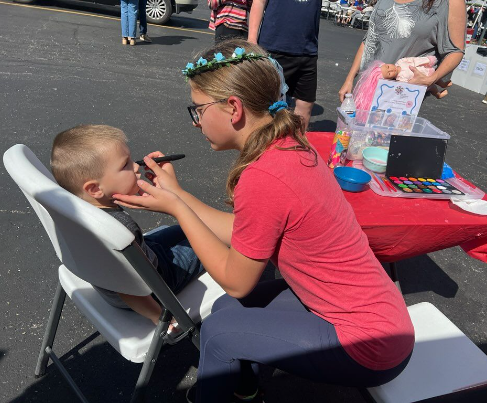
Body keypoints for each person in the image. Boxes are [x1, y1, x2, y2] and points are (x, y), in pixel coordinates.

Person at [113, 39, 415, 403]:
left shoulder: (264, 177)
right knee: (226, 310)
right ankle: (243, 388)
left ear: (233, 108)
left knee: (220, 330)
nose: (195, 122)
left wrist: (177, 210)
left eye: (197, 110)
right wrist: (177, 197)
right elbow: (244, 234)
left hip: (369, 345)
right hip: (377, 318)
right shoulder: (289, 146)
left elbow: (236, 281)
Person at [50, 125, 204, 326]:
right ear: (95, 188)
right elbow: (130, 287)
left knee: (180, 230)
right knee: (206, 241)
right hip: (156, 285)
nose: (136, 166)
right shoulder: (117, 230)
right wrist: (159, 317)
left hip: (127, 269)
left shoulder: (73, 207)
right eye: (125, 165)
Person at [338, 0, 466, 103]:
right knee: (352, 132)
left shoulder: (449, 2)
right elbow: (369, 40)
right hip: (367, 87)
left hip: (400, 95)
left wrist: (431, 79)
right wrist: (349, 79)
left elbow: (455, 51)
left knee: (385, 134)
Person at [248, 0, 322, 131]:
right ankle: (261, 147)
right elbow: (259, 2)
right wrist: (252, 40)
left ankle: (296, 147)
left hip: (307, 50)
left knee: (305, 106)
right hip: (273, 47)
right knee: (266, 106)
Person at [353, 57, 451, 111]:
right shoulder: (400, 80)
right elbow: (408, 86)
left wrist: (426, 60)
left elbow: (413, 60)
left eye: (388, 67)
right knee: (433, 87)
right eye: (389, 73)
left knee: (436, 78)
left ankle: (443, 84)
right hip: (422, 81)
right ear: (389, 78)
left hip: (424, 70)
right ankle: (438, 94)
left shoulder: (400, 61)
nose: (391, 69)